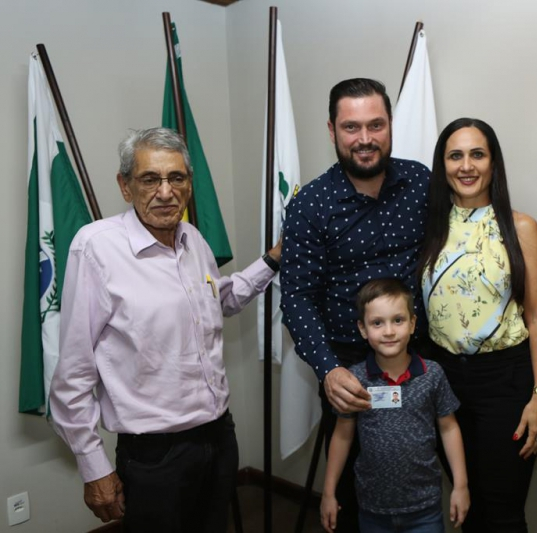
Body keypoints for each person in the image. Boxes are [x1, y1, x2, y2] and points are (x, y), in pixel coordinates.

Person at [49, 127, 281, 532]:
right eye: (150, 179)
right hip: (155, 457)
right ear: (125, 186)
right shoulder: (96, 248)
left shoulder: (193, 240)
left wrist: (274, 258)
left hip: (219, 438)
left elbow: (219, 301)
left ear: (189, 184)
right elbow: (73, 372)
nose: (165, 192)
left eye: (177, 178)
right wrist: (93, 466)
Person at [281, 78, 430, 531]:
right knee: (349, 494)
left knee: (423, 480)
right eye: (351, 127)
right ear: (332, 130)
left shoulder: (422, 182)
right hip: (349, 368)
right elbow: (298, 297)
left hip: (422, 362)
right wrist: (329, 370)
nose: (365, 138)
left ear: (390, 125)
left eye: (375, 125)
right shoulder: (310, 204)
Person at [418, 118, 537, 532]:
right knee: (467, 503)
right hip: (443, 381)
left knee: (503, 512)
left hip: (505, 383)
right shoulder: (429, 227)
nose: (466, 166)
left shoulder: (522, 228)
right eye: (455, 156)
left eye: (477, 154)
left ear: (493, 163)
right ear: (442, 165)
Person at [321, 278, 469, 533]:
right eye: (377, 323)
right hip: (372, 510)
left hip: (425, 510)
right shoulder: (355, 379)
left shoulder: (432, 374)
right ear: (363, 329)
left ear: (412, 323)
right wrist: (328, 493)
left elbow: (449, 428)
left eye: (398, 320)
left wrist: (461, 485)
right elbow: (342, 435)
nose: (389, 331)